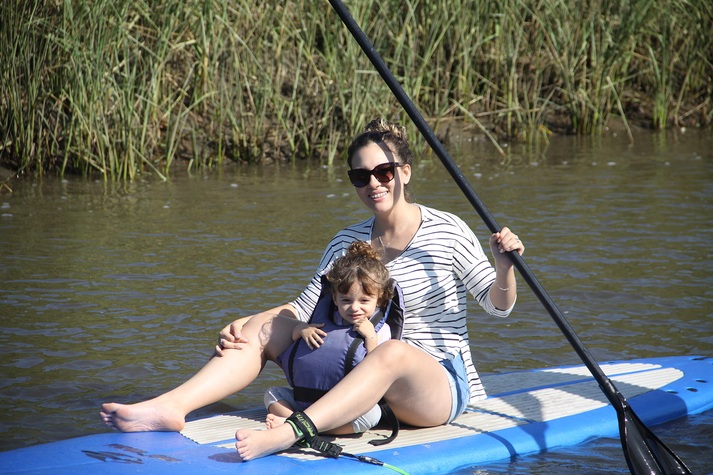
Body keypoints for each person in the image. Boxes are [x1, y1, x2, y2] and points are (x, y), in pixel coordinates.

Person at [100, 118, 524, 462]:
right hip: (356, 379)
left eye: (383, 172)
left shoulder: (448, 231)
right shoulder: (346, 241)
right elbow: (303, 308)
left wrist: (504, 267)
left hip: (435, 386)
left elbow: (498, 305)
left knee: (391, 352)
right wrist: (249, 323)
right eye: (360, 176)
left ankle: (288, 433)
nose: (373, 183)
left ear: (404, 173)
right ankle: (172, 406)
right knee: (263, 327)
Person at [264, 240, 396, 435]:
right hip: (308, 399)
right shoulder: (323, 318)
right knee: (272, 394)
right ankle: (299, 425)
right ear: (334, 298)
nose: (355, 308)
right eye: (346, 300)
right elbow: (294, 340)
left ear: (380, 299)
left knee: (372, 415)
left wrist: (370, 338)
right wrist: (302, 329)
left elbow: (380, 370)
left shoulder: (380, 330)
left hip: (344, 407)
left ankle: (301, 428)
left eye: (364, 300)